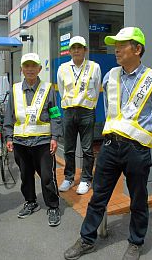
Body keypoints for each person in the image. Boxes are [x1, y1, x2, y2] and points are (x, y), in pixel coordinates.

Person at [64, 27, 152, 260]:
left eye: (122, 45)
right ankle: (87, 239)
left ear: (138, 49)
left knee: (138, 199)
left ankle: (135, 242)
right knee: (99, 195)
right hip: (111, 146)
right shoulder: (110, 76)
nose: (116, 49)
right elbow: (107, 109)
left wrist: (147, 138)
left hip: (137, 149)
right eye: (116, 45)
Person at [4, 52, 62, 227]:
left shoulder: (48, 88)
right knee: (25, 175)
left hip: (43, 142)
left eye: (33, 66)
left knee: (47, 176)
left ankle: (53, 205)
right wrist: (8, 136)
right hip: (21, 142)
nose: (30, 69)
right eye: (26, 66)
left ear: (39, 69)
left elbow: (55, 113)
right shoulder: (14, 89)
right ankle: (31, 201)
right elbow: (9, 115)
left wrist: (55, 136)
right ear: (22, 69)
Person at [57, 36, 101, 195]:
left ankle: (86, 179)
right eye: (73, 48)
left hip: (87, 112)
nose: (76, 50)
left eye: (79, 47)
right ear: (69, 51)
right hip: (68, 111)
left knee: (87, 148)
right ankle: (69, 177)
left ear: (85, 50)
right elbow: (62, 91)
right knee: (68, 148)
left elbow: (96, 89)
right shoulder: (62, 68)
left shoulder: (94, 67)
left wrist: (89, 105)